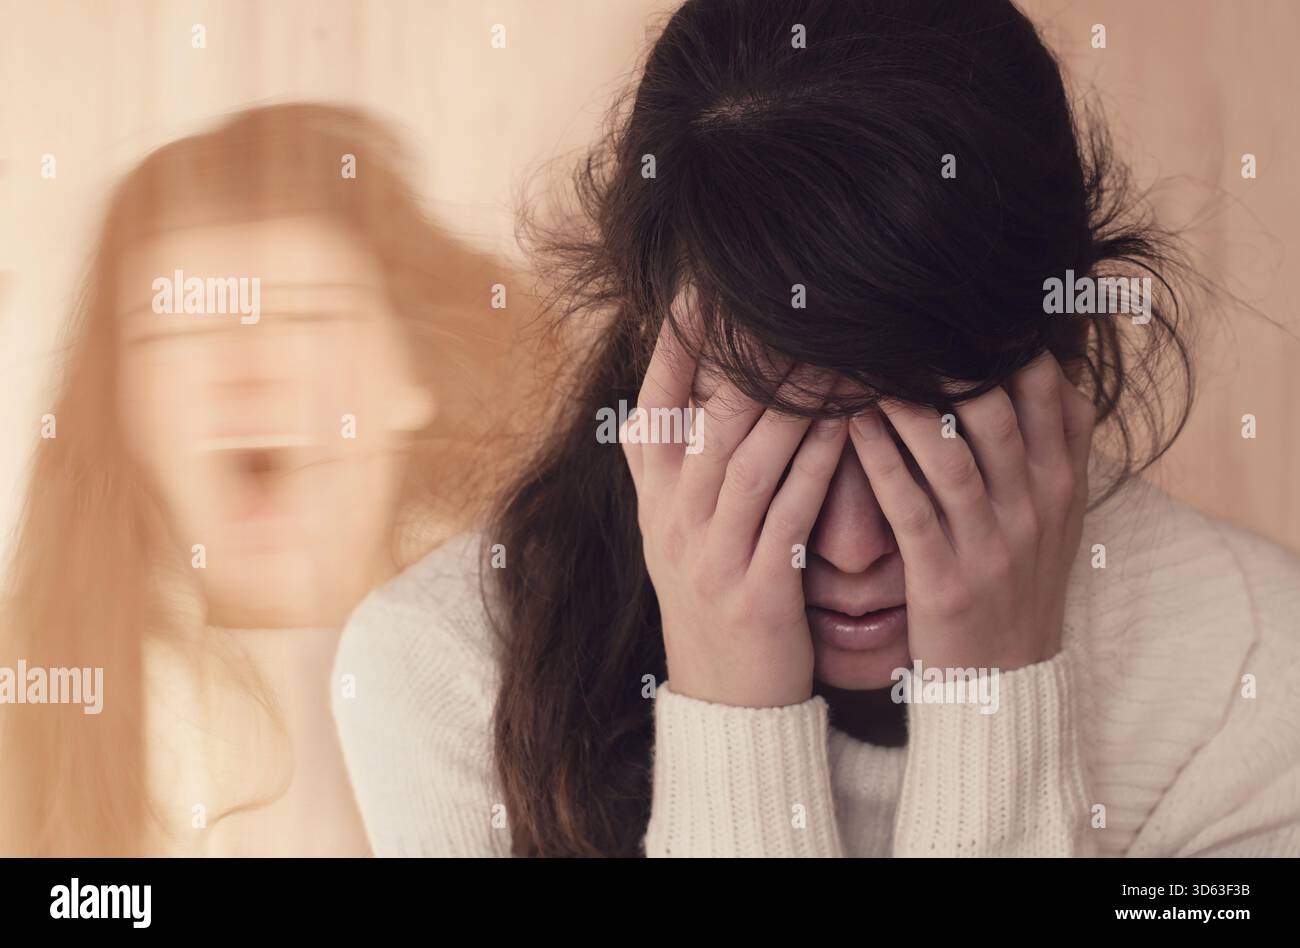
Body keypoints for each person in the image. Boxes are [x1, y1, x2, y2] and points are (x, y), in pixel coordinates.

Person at [331, 0, 1300, 857]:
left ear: (1066, 350)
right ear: (651, 366)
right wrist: (730, 714)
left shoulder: (1256, 679)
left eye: (919, 443)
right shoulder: (447, 671)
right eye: (778, 444)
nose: (848, 545)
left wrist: (994, 703)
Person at [0, 104, 538, 855]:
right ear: (123, 409)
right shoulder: (32, 707)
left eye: (304, 317)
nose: (244, 369)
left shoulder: (552, 667)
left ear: (411, 376)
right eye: (180, 328)